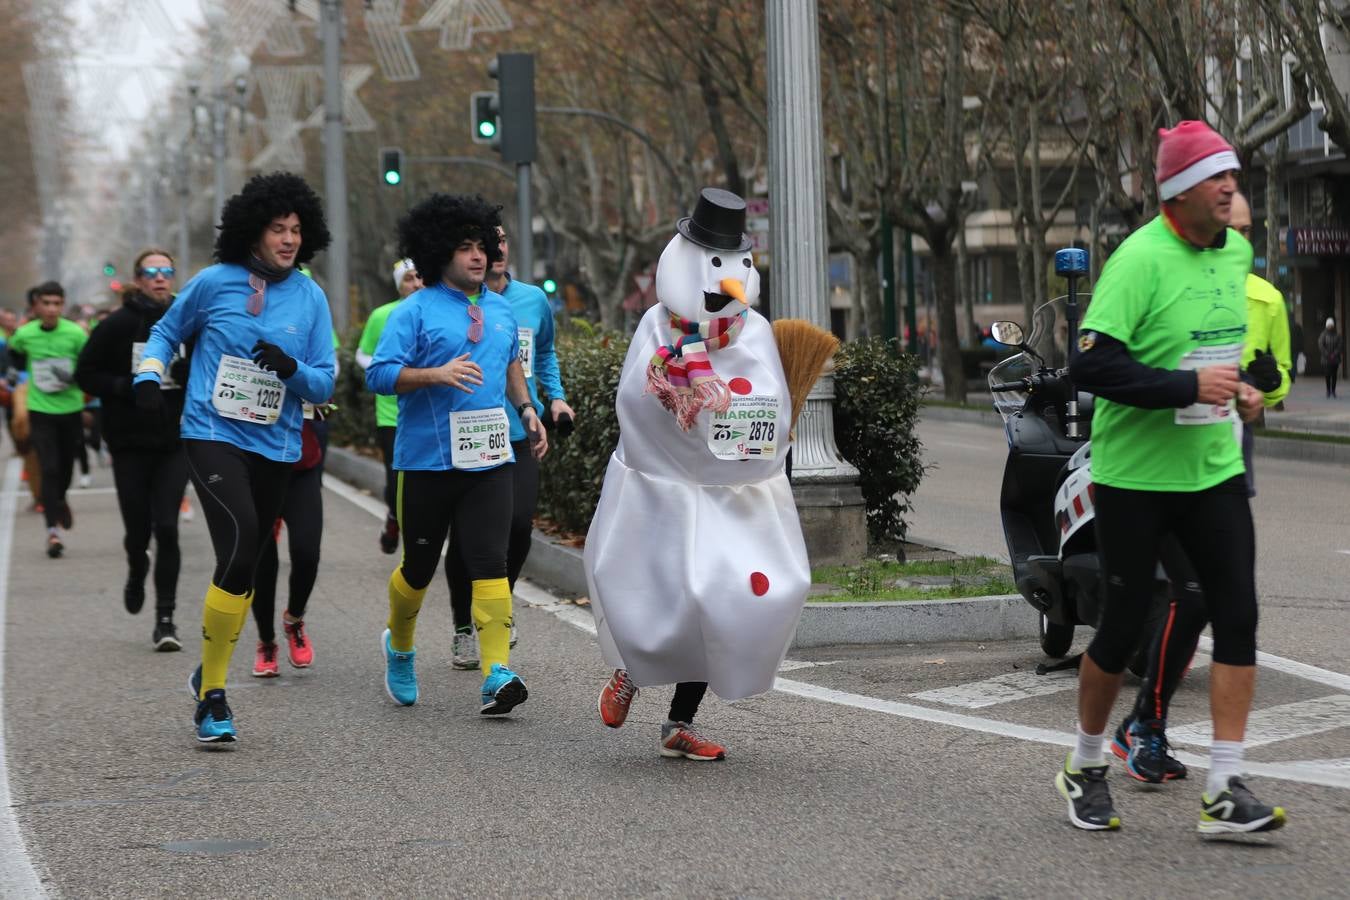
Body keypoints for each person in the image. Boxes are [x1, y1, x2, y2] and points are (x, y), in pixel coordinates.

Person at [1061, 121, 1284, 834]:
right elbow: (1090, 366)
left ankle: (1224, 786)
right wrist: (1187, 389)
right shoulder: (1139, 260)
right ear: (1179, 190)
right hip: (1136, 475)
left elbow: (1226, 353)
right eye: (1217, 177)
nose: (1230, 188)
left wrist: (1245, 390)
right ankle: (1086, 764)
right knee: (1123, 627)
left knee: (1237, 612)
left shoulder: (1238, 252)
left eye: (1234, 177)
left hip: (1212, 469)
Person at [585, 188, 812, 761]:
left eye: (736, 264)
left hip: (733, 496)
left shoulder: (754, 331)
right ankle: (631, 675)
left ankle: (679, 722)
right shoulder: (658, 331)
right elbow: (634, 403)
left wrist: (751, 427)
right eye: (714, 263)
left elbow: (773, 406)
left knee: (722, 600)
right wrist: (684, 410)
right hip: (663, 491)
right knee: (663, 591)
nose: (727, 280)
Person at [135, 172, 335, 745]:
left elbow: (325, 382)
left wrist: (291, 369)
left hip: (275, 444)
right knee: (245, 532)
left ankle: (209, 670)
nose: (289, 239)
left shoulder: (311, 297)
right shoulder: (213, 282)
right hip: (211, 432)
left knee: (243, 562)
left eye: (297, 230)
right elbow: (165, 333)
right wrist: (149, 374)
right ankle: (214, 699)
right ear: (253, 230)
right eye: (278, 229)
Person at [1106, 190, 1291, 782]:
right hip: (1152, 458)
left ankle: (1175, 748)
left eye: (1241, 228)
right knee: (1192, 593)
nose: (1231, 235)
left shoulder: (1265, 297)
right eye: (1224, 222)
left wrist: (1264, 386)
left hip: (1223, 459)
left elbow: (1278, 380)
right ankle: (1144, 728)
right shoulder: (1158, 268)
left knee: (1225, 602)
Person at [366, 193, 546, 715]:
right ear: (439, 253)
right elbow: (377, 374)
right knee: (419, 567)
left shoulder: (502, 309)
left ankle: (495, 673)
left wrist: (527, 408)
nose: (477, 257)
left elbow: (510, 361)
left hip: (489, 458)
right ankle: (399, 647)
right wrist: (434, 375)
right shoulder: (414, 310)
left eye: (483, 247)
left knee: (490, 562)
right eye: (464, 247)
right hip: (425, 463)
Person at [445, 226, 574, 669]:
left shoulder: (533, 300)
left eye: (500, 240)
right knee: (466, 538)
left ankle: (499, 608)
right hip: (469, 432)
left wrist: (553, 396)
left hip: (520, 431)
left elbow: (545, 354)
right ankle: (464, 624)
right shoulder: (453, 302)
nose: (494, 248)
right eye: (482, 242)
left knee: (518, 527)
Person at [74, 250, 190, 651]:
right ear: (138, 279)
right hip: (129, 443)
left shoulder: (186, 322)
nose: (160, 278)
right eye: (151, 272)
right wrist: (128, 386)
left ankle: (165, 619)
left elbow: (212, 367)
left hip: (176, 440)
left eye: (166, 272)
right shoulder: (117, 325)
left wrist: (188, 375)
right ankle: (137, 567)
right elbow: (84, 372)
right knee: (138, 532)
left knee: (168, 529)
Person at [8, 281, 88, 558]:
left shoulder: (76, 334)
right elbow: (14, 354)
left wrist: (76, 378)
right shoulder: (25, 334)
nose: (52, 309)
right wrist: (14, 374)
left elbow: (89, 364)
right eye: (47, 303)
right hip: (40, 410)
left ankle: (60, 498)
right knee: (49, 467)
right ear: (37, 306)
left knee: (65, 468)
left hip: (71, 409)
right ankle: (52, 531)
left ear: (62, 305)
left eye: (57, 304)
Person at [356, 258, 423, 555]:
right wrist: (394, 372)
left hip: (426, 413)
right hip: (391, 414)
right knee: (396, 481)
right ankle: (394, 517)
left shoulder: (437, 312)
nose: (416, 284)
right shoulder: (382, 315)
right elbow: (362, 355)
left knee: (423, 484)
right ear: (399, 284)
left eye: (420, 277)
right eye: (408, 278)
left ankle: (419, 542)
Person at [1318, 317, 1340, 398]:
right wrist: (1327, 354)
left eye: (1331, 325)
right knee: (1327, 375)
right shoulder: (1323, 335)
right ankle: (1328, 390)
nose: (1330, 326)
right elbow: (1321, 345)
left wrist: (1334, 354)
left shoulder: (1337, 335)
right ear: (1327, 326)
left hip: (1335, 359)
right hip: (1326, 359)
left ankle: (1333, 391)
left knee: (1334, 375)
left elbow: (1340, 345)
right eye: (1329, 325)